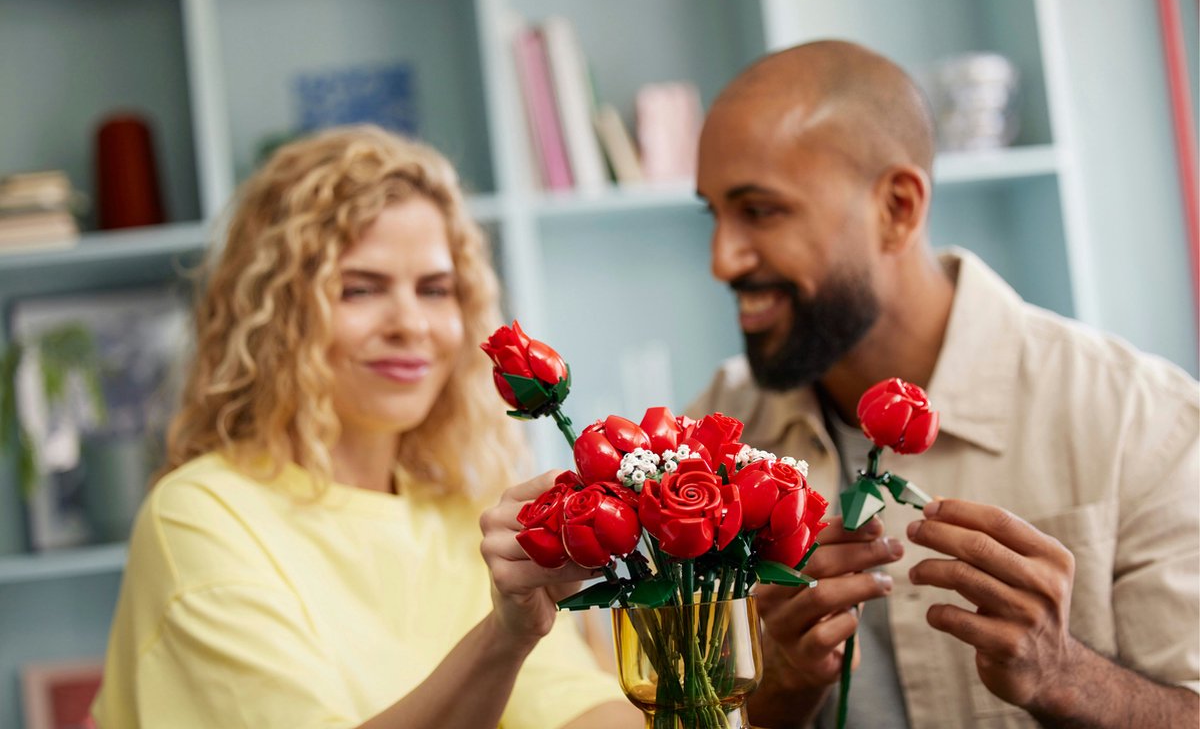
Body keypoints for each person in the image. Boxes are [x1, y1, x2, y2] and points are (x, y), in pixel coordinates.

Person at [688, 40, 1199, 728]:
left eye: (761, 211)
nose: (723, 259)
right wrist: (775, 689)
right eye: (712, 215)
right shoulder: (702, 448)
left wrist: (1062, 674)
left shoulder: (1143, 422)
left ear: (897, 208)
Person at [91, 126, 638, 728]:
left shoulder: (465, 511)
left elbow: (577, 706)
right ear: (278, 316)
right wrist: (504, 638)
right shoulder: (200, 516)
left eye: (435, 289)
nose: (410, 324)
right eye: (359, 289)